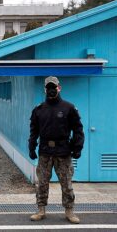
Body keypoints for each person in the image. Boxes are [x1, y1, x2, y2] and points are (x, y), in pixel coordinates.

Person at [28, 76, 84, 224]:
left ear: (59, 88)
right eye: (48, 87)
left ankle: (69, 211)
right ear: (44, 89)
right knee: (42, 183)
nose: (51, 90)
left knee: (66, 183)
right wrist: (31, 147)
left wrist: (78, 147)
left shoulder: (69, 108)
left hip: (63, 152)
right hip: (45, 152)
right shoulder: (39, 110)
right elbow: (34, 131)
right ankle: (41, 210)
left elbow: (78, 129)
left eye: (54, 87)